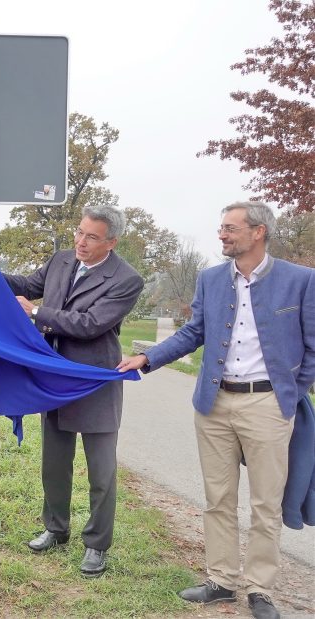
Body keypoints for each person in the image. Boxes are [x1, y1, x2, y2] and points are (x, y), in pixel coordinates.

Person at [118, 201, 315, 619]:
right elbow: (193, 332)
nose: (222, 235)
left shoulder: (301, 280)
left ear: (258, 232)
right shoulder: (210, 279)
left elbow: (313, 346)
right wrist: (148, 358)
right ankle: (221, 580)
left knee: (266, 503)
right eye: (221, 228)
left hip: (268, 403)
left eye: (230, 228)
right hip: (214, 402)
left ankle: (260, 588)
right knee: (218, 497)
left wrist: (289, 393)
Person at [2, 204, 144, 577]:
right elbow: (27, 285)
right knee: (54, 463)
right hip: (54, 378)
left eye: (91, 237)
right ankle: (55, 528)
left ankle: (96, 545)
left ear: (111, 242)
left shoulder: (127, 280)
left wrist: (36, 313)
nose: (81, 242)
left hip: (93, 380)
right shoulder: (61, 260)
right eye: (79, 232)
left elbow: (90, 324)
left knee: (101, 472)